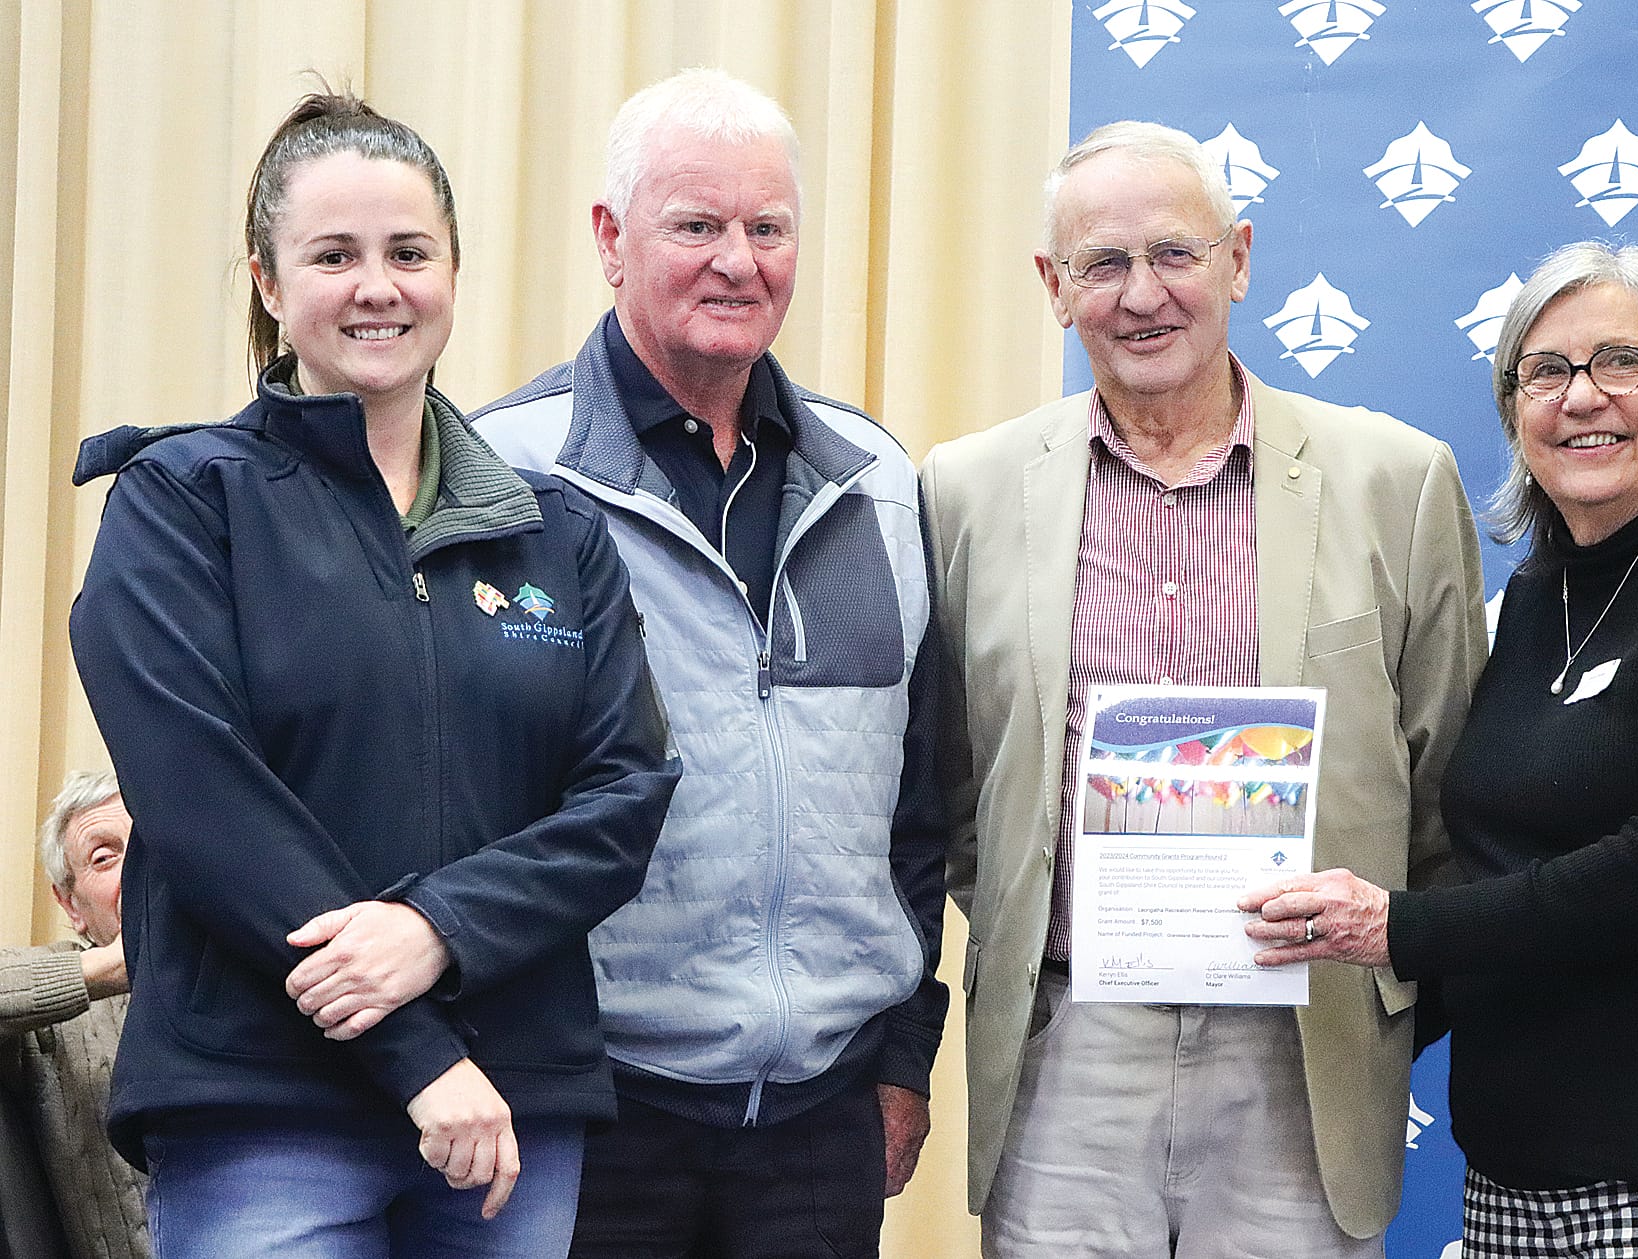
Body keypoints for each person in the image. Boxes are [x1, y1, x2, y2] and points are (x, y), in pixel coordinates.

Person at [67, 92, 679, 1258]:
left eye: (408, 252)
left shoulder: (554, 532)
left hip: (509, 1113)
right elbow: (204, 802)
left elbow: (622, 802)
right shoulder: (180, 502)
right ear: (266, 279)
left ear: (452, 270)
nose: (376, 287)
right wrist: (417, 1053)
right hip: (264, 1107)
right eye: (332, 256)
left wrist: (437, 926)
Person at [1240, 241, 1638, 1253]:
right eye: (1543, 370)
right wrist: (1257, 988)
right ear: (1514, 413)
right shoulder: (1540, 598)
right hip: (1514, 1176)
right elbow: (1496, 864)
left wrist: (1394, 927)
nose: (1581, 395)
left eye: (1621, 361)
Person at [920, 120, 1487, 1258]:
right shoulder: (964, 491)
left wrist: (1381, 964)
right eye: (1101, 263)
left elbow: (1452, 784)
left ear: (1238, 259)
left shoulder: (1396, 479)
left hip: (1305, 1048)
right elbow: (949, 782)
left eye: (1174, 253)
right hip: (1069, 1045)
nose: (1143, 295)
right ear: (1052, 287)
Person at [473, 68, 947, 1259]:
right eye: (695, 225)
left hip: (821, 1117)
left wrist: (901, 1055)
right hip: (581, 1110)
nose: (738, 261)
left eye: (767, 228)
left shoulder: (877, 482)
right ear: (609, 238)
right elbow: (450, 798)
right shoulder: (498, 476)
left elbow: (916, 801)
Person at [0, 771, 145, 1259]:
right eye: (105, 857)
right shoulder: (57, 1026)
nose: (140, 868)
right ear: (71, 904)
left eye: (151, 843)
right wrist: (116, 966)